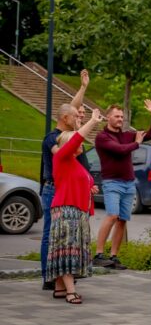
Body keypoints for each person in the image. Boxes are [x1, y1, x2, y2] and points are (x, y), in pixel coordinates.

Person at [38, 69, 92, 290]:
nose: (80, 116)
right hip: (54, 190)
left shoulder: (67, 133)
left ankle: (62, 278)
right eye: (76, 115)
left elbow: (69, 109)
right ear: (65, 118)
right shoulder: (54, 139)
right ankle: (49, 277)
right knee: (52, 236)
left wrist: (82, 88)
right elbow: (62, 151)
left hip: (68, 192)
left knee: (65, 238)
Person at [47, 107, 106, 304]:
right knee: (67, 248)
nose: (80, 145)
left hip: (76, 211)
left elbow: (77, 181)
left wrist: (90, 189)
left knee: (67, 248)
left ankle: (60, 288)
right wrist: (93, 122)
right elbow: (76, 139)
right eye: (75, 143)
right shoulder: (61, 157)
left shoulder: (74, 163)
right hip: (66, 210)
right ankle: (71, 290)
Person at [94, 100, 151, 269]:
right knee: (112, 215)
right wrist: (137, 143)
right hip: (112, 182)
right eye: (116, 116)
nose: (120, 119)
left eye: (122, 116)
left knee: (122, 220)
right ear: (107, 117)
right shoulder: (102, 138)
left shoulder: (127, 135)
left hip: (128, 183)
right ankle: (99, 254)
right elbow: (120, 150)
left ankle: (114, 256)